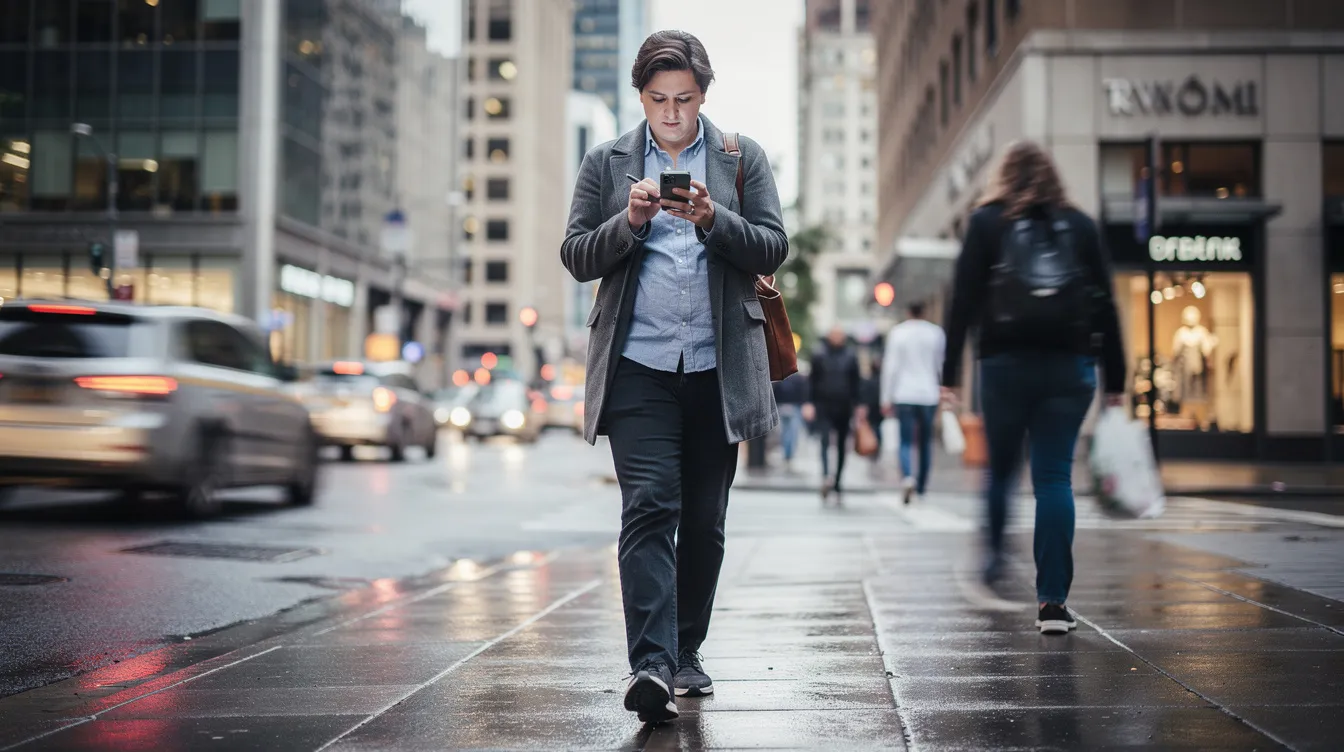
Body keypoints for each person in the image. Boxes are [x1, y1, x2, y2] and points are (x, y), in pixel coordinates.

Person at [560, 30, 788, 724]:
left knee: (705, 524)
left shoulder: (740, 158)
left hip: (718, 371)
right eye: (658, 100)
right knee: (649, 506)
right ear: (640, 97)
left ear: (703, 95)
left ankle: (686, 650)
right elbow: (576, 256)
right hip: (638, 368)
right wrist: (628, 223)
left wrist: (716, 219)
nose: (670, 113)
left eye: (683, 100)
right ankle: (651, 664)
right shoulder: (606, 164)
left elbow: (774, 243)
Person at [940, 141, 1125, 635]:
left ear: (1003, 177)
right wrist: (1117, 380)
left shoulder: (986, 223)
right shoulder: (1079, 225)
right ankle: (1052, 604)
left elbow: (962, 302)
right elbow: (1106, 304)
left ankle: (995, 559)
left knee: (1001, 472)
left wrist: (949, 377)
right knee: (1054, 479)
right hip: (1071, 368)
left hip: (1004, 364)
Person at [880, 302, 946, 504]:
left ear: (908, 312)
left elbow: (890, 367)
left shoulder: (898, 333)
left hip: (904, 394)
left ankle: (908, 477)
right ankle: (922, 486)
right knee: (926, 442)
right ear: (924, 312)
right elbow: (941, 365)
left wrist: (885, 397)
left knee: (906, 440)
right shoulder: (936, 333)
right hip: (928, 393)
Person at [805, 327, 860, 506]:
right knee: (825, 442)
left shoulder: (851, 356)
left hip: (844, 407)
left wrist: (859, 406)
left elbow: (856, 383)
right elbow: (812, 381)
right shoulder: (819, 354)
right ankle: (826, 476)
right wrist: (809, 403)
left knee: (843, 446)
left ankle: (838, 482)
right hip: (824, 405)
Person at [772, 369, 808, 472]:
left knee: (788, 432)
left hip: (789, 407)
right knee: (789, 432)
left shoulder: (784, 379)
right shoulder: (797, 379)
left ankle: (788, 453)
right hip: (789, 407)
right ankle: (788, 453)